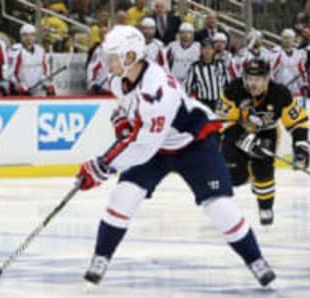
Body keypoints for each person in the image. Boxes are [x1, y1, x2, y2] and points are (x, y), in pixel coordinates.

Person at [76, 25, 276, 289]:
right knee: (123, 196)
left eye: (113, 57)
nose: (107, 62)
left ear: (130, 57)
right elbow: (127, 112)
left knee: (219, 207)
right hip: (155, 146)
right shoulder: (117, 79)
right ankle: (101, 257)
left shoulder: (157, 88)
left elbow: (143, 146)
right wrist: (123, 122)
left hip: (193, 143)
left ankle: (255, 260)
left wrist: (102, 166)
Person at [218, 59, 310, 226]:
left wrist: (301, 146)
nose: (253, 84)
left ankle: (265, 207)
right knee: (234, 177)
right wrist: (244, 139)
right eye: (250, 78)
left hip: (267, 132)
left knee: (264, 170)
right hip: (237, 130)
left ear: (267, 79)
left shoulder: (280, 93)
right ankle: (250, 176)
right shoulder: (233, 89)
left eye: (258, 79)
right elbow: (223, 120)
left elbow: (298, 122)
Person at [9, 25, 55, 96]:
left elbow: (44, 72)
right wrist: (20, 86)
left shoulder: (40, 50)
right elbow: (11, 73)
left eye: (32, 35)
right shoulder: (15, 50)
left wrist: (47, 84)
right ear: (21, 36)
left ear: (35, 36)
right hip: (22, 92)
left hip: (38, 90)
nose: (29, 38)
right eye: (25, 35)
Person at [185, 39, 230, 111]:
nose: (207, 51)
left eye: (210, 48)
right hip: (202, 102)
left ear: (213, 50)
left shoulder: (221, 64)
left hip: (219, 102)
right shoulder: (195, 67)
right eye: (204, 48)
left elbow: (228, 83)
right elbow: (188, 86)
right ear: (201, 50)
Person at [271, 29, 310, 96]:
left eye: (290, 38)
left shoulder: (298, 54)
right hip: (280, 89)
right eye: (286, 38)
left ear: (293, 39)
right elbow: (271, 72)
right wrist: (274, 87)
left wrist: (304, 85)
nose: (288, 40)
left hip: (295, 90)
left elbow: (301, 71)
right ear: (282, 39)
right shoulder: (275, 53)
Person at [85, 25, 110, 94]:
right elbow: (92, 68)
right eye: (104, 33)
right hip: (104, 88)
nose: (106, 35)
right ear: (100, 36)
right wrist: (92, 84)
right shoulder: (98, 51)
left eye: (107, 33)